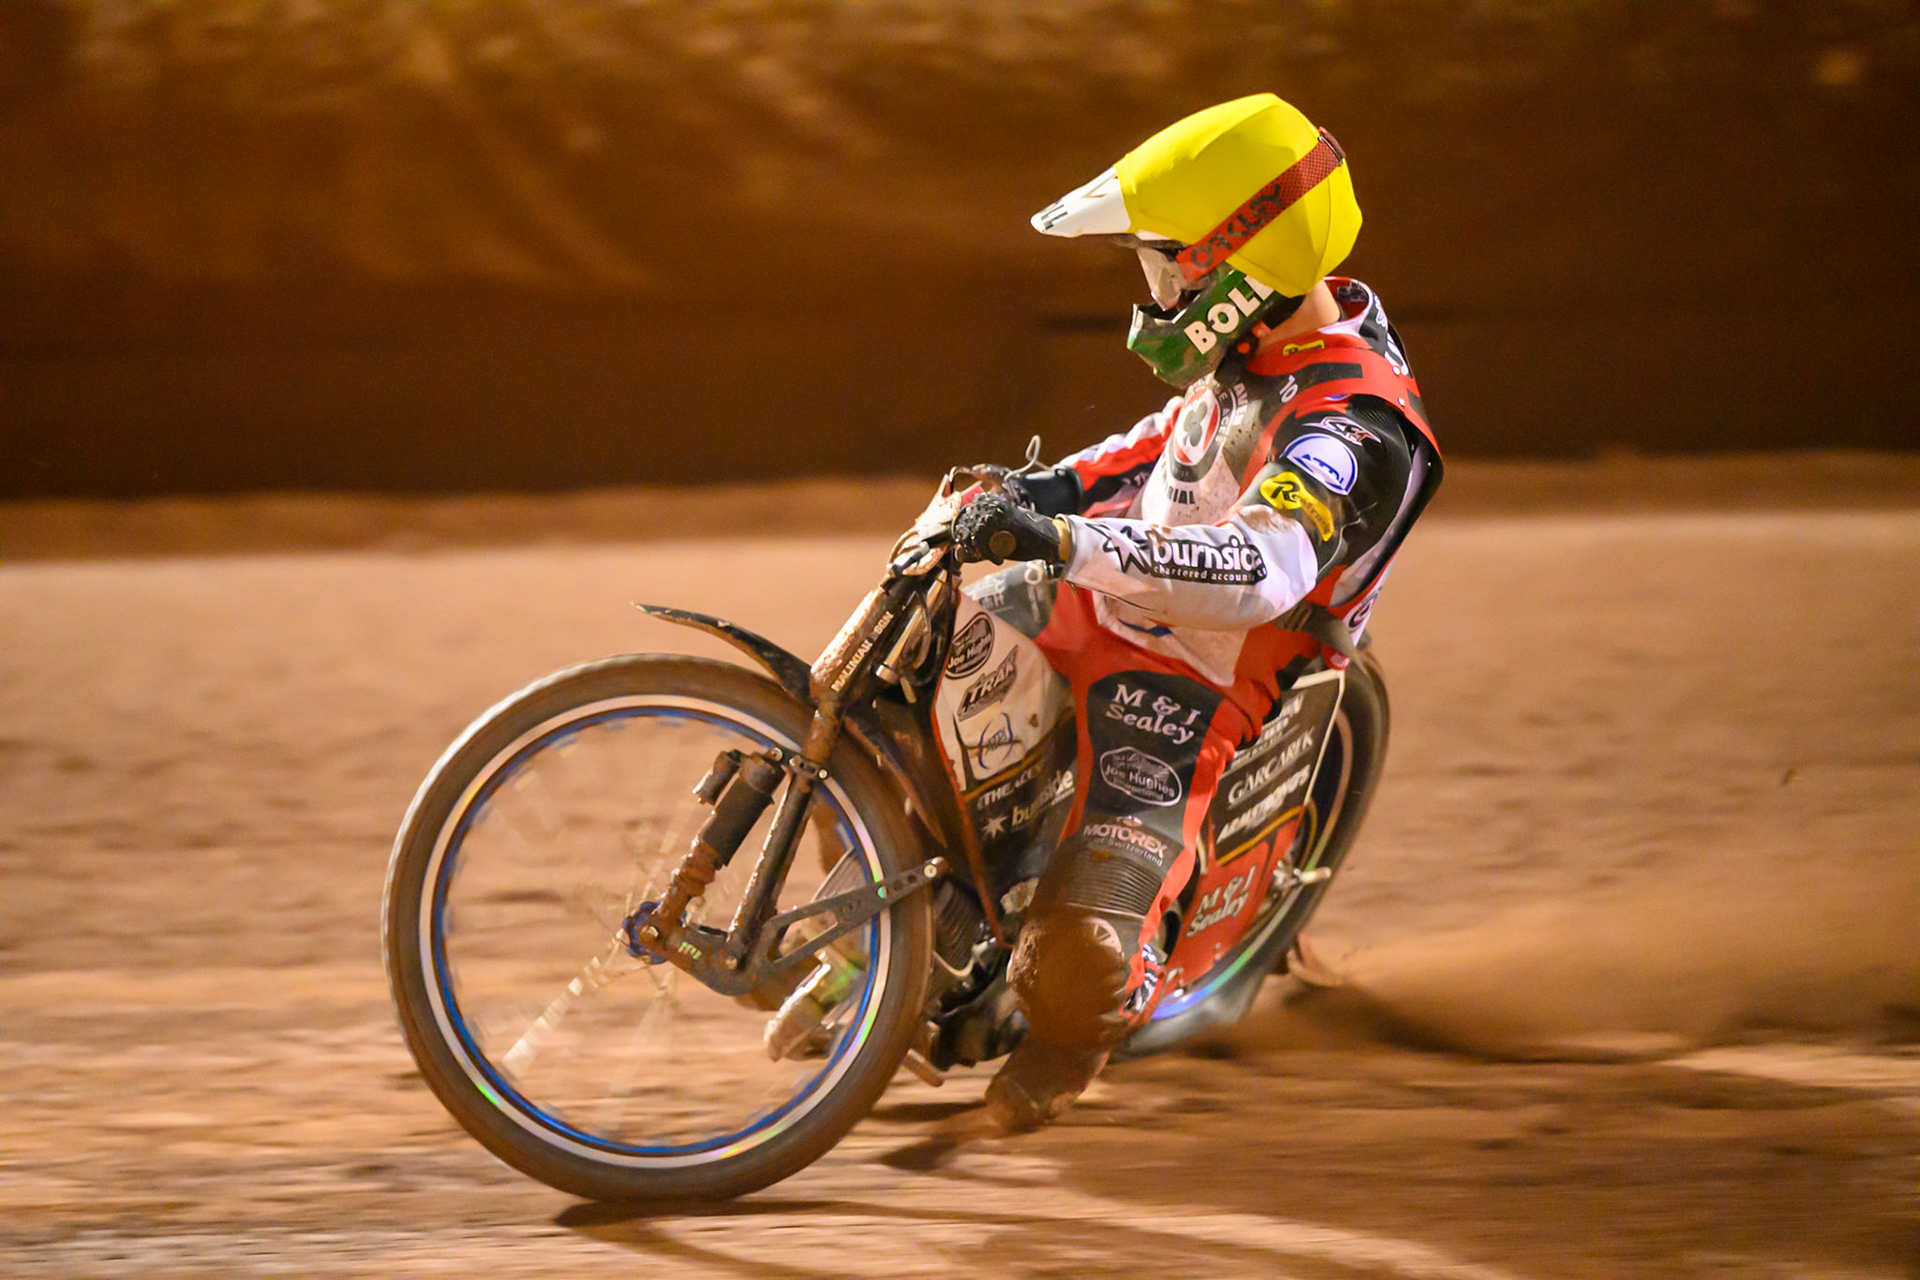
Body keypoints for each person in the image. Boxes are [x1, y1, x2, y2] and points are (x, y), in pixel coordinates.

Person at [942, 93, 1444, 1132]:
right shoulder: (1253, 355)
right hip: (1102, 597)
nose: (1157, 291)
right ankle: (880, 937)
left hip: (1195, 676)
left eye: (1172, 265)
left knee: (1074, 966)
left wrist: (1069, 540)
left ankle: (1077, 1033)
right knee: (895, 668)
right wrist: (1029, 494)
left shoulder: (1354, 425)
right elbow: (1162, 448)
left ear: (1246, 263)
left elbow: (1260, 567)